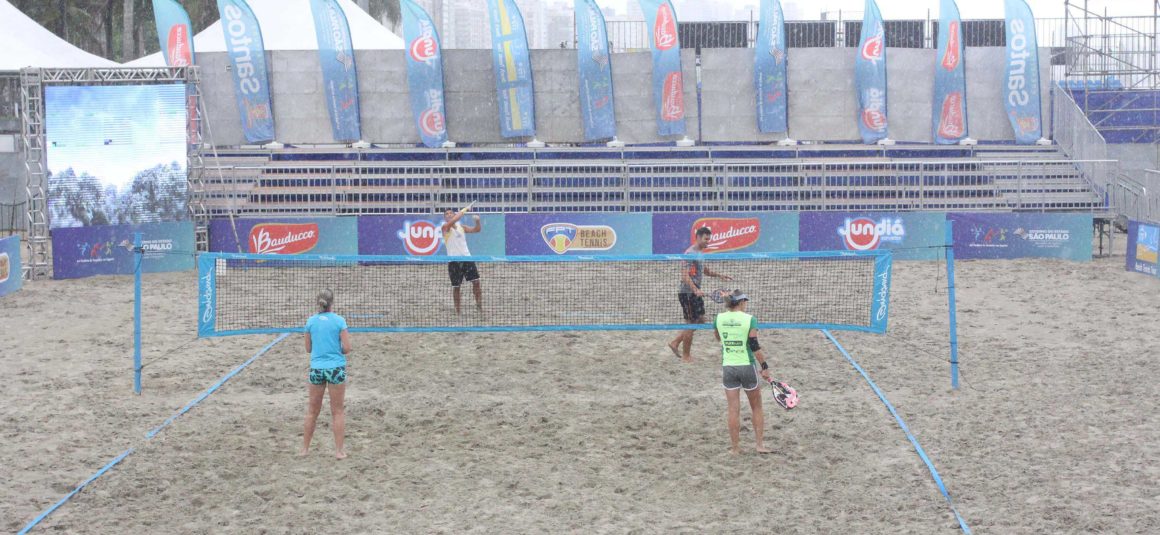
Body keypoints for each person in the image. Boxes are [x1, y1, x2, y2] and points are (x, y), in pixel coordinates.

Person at [713, 290, 772, 455]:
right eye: (745, 301)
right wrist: (764, 366)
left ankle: (735, 448)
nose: (746, 304)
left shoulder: (719, 318)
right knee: (757, 407)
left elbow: (718, 338)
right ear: (740, 303)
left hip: (729, 367)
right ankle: (759, 445)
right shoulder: (749, 319)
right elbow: (754, 345)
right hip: (746, 366)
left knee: (733, 409)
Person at [668, 226, 732, 362]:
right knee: (691, 323)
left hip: (694, 292)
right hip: (687, 293)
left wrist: (719, 275)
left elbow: (705, 270)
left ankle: (675, 342)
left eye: (709, 239)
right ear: (697, 238)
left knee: (701, 320)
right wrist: (695, 289)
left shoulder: (700, 252)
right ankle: (686, 356)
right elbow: (684, 275)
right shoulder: (690, 253)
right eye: (706, 239)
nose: (708, 242)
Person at [301, 289, 352, 459]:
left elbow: (308, 348)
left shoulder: (311, 322)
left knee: (312, 411)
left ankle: (304, 450)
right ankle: (339, 451)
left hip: (317, 369)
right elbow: (347, 348)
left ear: (318, 303)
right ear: (332, 303)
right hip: (335, 369)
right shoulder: (339, 321)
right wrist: (335, 349)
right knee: (337, 411)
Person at [442, 206, 484, 315]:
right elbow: (455, 219)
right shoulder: (445, 227)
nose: (449, 215)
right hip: (453, 262)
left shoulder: (462, 227)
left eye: (451, 213)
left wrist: (477, 221)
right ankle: (458, 312)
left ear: (454, 214)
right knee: (456, 288)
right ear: (444, 218)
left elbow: (477, 230)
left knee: (476, 283)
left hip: (467, 259)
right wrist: (465, 209)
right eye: (447, 214)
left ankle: (479, 306)